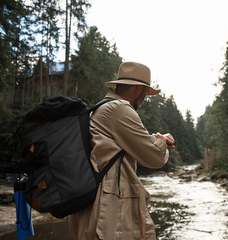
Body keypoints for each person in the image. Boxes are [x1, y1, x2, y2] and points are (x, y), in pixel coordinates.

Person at [69, 61, 175, 240]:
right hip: (108, 211)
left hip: (93, 205)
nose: (144, 98)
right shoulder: (120, 109)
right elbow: (154, 158)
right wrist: (162, 141)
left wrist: (154, 141)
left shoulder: (101, 108)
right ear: (136, 89)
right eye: (145, 93)